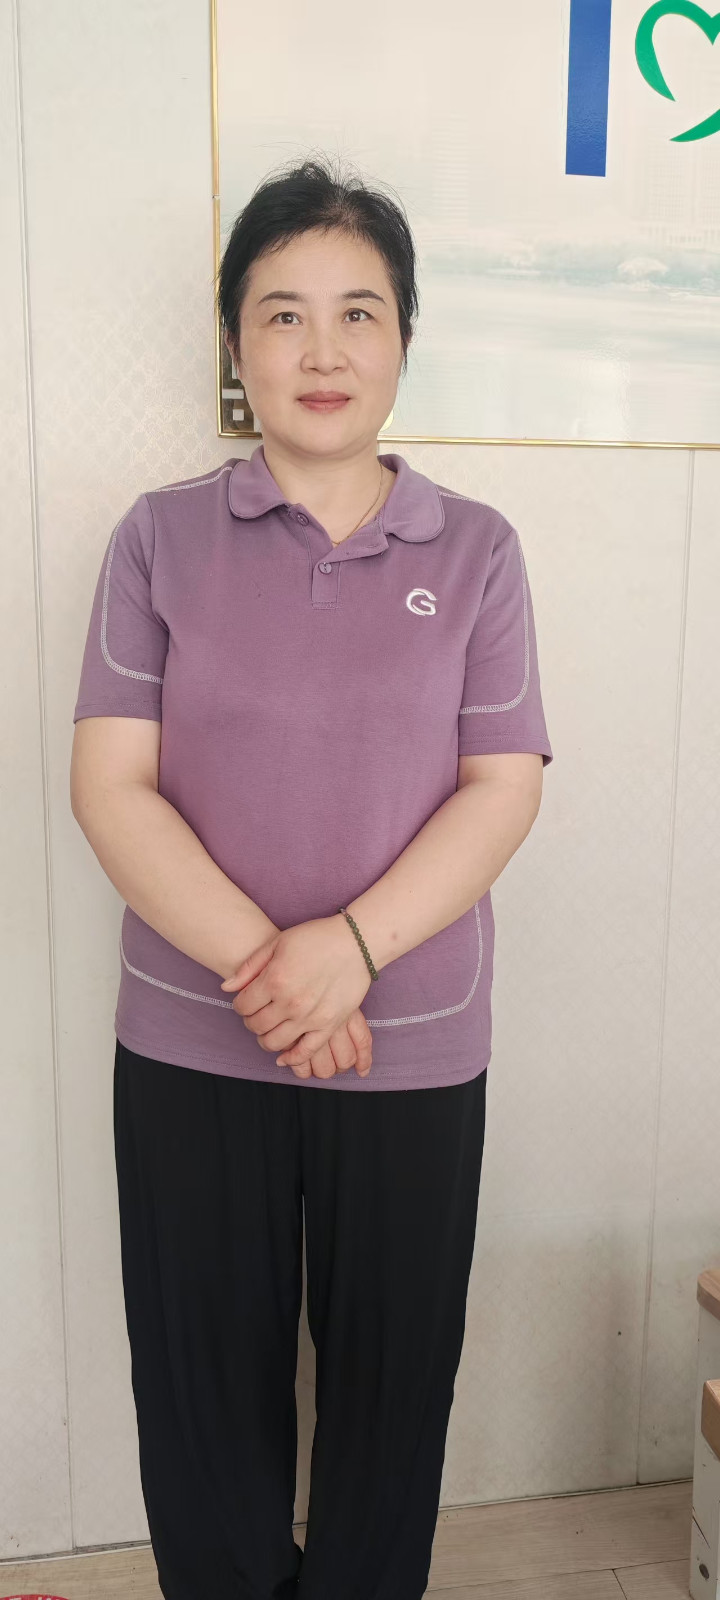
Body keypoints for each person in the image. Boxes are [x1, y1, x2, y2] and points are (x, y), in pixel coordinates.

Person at [70, 154, 553, 1600]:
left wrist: (349, 950)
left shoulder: (478, 551)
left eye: (360, 313)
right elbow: (111, 785)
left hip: (409, 1042)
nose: (322, 351)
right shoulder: (158, 538)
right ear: (235, 342)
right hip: (191, 1042)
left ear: (405, 338)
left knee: (392, 1401)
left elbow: (502, 786)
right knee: (202, 1400)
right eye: (283, 314)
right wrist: (271, 971)